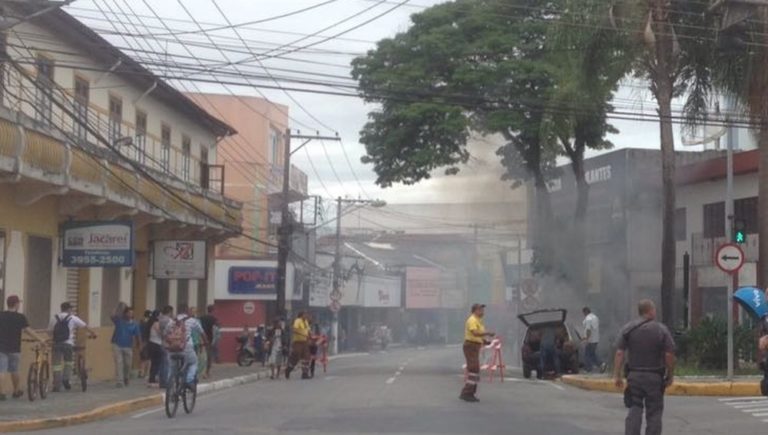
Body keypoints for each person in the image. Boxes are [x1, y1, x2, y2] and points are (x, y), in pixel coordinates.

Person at [613, 299, 676, 435]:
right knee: (654, 412)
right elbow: (669, 354)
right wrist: (670, 375)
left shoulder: (628, 328)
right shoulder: (661, 329)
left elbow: (619, 353)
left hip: (634, 376)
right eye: (654, 309)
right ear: (650, 311)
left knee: (634, 407)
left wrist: (617, 375)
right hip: (654, 377)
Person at [0, 295, 47, 400]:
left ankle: (2, 393)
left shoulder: (1, 315)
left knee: (1, 371)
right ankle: (16, 390)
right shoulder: (20, 317)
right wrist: (40, 339)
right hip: (14, 348)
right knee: (14, 370)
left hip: (1, 347)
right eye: (19, 303)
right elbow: (28, 331)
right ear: (16, 304)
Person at [49, 302, 97, 392]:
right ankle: (66, 379)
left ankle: (56, 385)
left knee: (56, 365)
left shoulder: (54, 318)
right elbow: (85, 326)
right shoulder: (73, 318)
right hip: (68, 344)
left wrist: (52, 339)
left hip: (56, 344)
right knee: (68, 362)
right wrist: (93, 333)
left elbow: (50, 332)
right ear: (69, 309)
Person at [165, 303, 206, 389]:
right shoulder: (192, 321)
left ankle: (170, 386)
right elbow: (201, 332)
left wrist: (171, 343)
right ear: (187, 310)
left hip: (173, 349)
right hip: (187, 347)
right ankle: (189, 380)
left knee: (172, 367)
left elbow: (165, 334)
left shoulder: (172, 321)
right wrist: (206, 342)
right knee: (193, 363)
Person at [460, 304, 494, 402]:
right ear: (475, 310)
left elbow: (477, 336)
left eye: (483, 310)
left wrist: (485, 341)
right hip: (470, 346)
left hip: (475, 346)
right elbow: (474, 333)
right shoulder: (472, 320)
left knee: (475, 370)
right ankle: (466, 393)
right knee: (473, 369)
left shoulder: (478, 321)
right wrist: (487, 333)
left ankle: (470, 392)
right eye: (481, 310)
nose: (483, 312)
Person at [111, 303, 142, 388]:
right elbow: (112, 315)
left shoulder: (135, 324)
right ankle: (119, 381)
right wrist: (117, 306)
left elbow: (137, 335)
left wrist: (139, 345)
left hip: (128, 346)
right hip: (117, 344)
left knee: (128, 364)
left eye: (132, 313)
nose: (130, 314)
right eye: (129, 313)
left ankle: (126, 377)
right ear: (125, 313)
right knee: (119, 362)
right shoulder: (119, 321)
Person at [286, 311, 311, 380]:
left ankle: (305, 373)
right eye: (305, 314)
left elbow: (308, 330)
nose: (306, 315)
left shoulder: (305, 321)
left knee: (306, 358)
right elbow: (294, 329)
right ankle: (288, 369)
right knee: (296, 356)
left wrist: (310, 335)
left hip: (305, 342)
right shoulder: (297, 320)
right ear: (301, 315)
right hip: (298, 342)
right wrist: (302, 334)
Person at [582, 307, 607, 373]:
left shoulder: (588, 319)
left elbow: (588, 329)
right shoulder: (595, 317)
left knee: (587, 355)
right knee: (592, 354)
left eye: (583, 313)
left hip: (590, 340)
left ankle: (588, 369)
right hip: (595, 339)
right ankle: (601, 364)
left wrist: (586, 339)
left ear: (585, 312)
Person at [198, 305, 218, 379]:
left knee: (201, 356)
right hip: (209, 339)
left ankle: (200, 372)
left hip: (201, 339)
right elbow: (215, 329)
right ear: (213, 310)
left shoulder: (201, 318)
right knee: (209, 356)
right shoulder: (213, 319)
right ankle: (207, 373)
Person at [157, 305, 174, 388]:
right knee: (167, 363)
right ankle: (166, 382)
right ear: (169, 312)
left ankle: (162, 381)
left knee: (162, 363)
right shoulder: (170, 321)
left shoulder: (160, 319)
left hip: (162, 342)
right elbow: (171, 332)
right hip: (168, 343)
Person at [146, 310, 164, 387]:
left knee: (154, 362)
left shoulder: (152, 323)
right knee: (156, 363)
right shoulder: (156, 323)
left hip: (153, 344)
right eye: (160, 315)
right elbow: (160, 333)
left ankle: (152, 377)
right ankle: (152, 378)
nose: (162, 317)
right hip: (156, 344)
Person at [138, 310, 152, 378]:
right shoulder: (149, 324)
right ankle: (147, 373)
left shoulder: (140, 323)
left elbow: (139, 333)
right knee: (148, 358)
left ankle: (141, 372)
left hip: (142, 341)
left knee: (142, 358)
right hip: (148, 341)